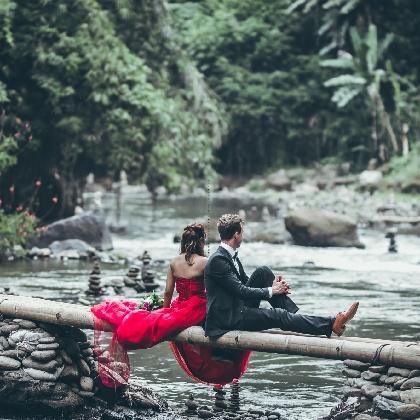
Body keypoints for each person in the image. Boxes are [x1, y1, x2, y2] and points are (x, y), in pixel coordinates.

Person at [91, 223, 251, 388]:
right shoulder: (206, 262)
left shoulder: (174, 262)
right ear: (201, 242)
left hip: (180, 304)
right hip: (200, 305)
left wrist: (164, 311)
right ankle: (221, 362)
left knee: (154, 319)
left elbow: (168, 291)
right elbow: (215, 289)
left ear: (183, 242)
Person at [204, 213, 359, 339]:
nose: (242, 236)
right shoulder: (219, 260)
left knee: (263, 272)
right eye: (242, 233)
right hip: (229, 318)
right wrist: (272, 291)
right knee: (279, 315)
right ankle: (331, 324)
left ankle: (295, 319)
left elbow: (246, 282)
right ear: (236, 234)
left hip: (237, 308)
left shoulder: (230, 256)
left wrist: (273, 287)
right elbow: (241, 290)